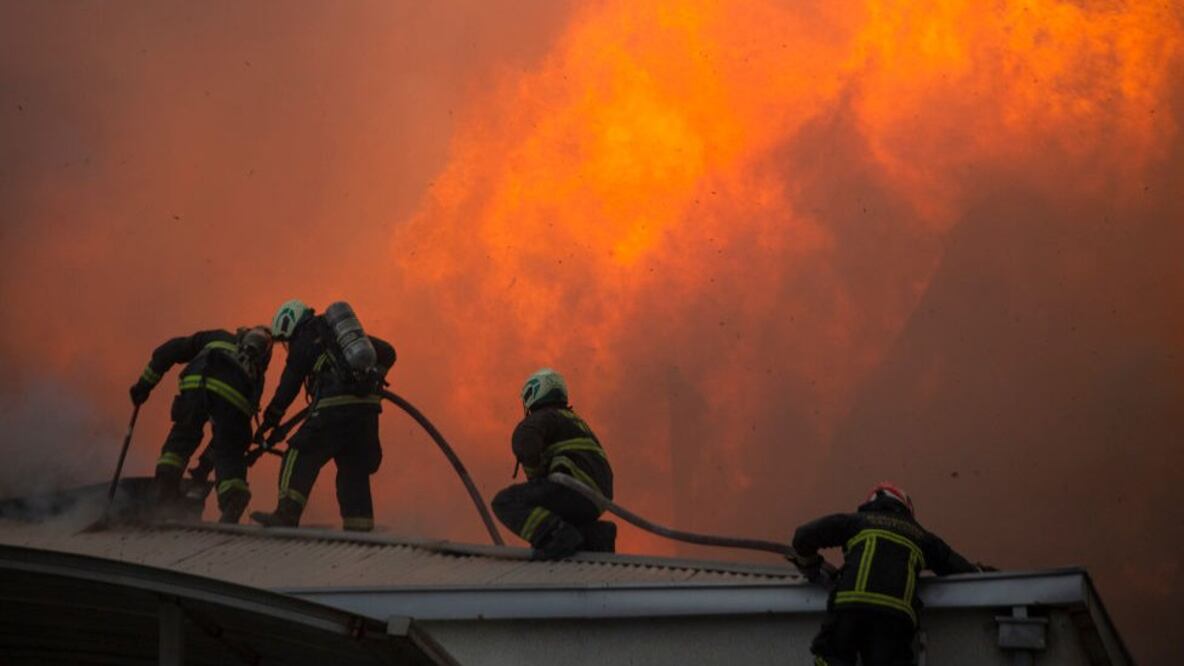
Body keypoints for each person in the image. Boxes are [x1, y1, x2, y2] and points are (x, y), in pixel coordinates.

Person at [792, 483, 990, 666]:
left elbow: (803, 536)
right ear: (906, 509)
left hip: (850, 608)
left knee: (832, 658)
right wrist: (983, 572)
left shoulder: (855, 521)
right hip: (894, 619)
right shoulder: (922, 536)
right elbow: (958, 568)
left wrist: (809, 563)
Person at [249, 299, 395, 532]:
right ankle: (360, 527)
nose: (288, 346)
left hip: (334, 406)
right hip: (367, 411)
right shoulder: (340, 337)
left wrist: (270, 419)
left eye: (286, 341)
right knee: (352, 469)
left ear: (289, 326)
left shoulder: (305, 337)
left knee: (298, 454)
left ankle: (286, 515)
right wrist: (374, 379)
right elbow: (388, 352)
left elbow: (289, 385)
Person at [129, 326, 273, 523]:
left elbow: (169, 350)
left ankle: (164, 489)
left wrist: (143, 386)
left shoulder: (217, 337)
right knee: (230, 451)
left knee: (182, 438)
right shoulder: (257, 376)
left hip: (196, 384)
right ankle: (233, 498)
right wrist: (205, 465)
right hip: (234, 401)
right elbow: (231, 433)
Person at [491, 368, 616, 560]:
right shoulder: (575, 421)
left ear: (534, 393)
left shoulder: (542, 417)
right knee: (564, 517)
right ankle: (595, 537)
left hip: (572, 486)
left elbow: (525, 443)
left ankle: (554, 535)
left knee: (506, 501)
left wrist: (536, 475)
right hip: (597, 498)